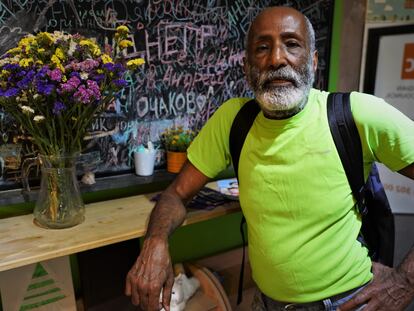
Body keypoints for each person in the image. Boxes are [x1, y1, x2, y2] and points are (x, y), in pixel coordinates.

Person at [125, 6, 414, 311]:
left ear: (312, 61)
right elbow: (176, 195)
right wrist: (155, 242)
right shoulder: (232, 120)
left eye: (292, 44)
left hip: (348, 302)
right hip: (266, 303)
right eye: (262, 48)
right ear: (247, 66)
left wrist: (406, 280)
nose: (277, 58)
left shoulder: (357, 115)